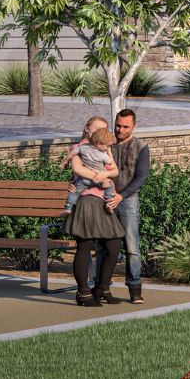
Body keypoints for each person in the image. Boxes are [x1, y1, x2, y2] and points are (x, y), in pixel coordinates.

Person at [67, 126, 122, 307]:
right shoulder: (79, 148)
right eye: (96, 128)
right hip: (87, 200)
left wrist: (106, 174)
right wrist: (101, 178)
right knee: (85, 246)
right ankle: (83, 292)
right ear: (87, 129)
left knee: (114, 245)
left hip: (103, 201)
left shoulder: (104, 148)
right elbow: (78, 169)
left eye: (103, 128)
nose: (99, 131)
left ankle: (102, 288)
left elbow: (115, 170)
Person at [110, 108, 151, 303]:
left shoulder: (141, 147)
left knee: (132, 246)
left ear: (133, 126)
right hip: (106, 199)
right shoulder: (106, 144)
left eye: (125, 127)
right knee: (104, 246)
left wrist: (122, 196)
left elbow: (141, 178)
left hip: (128, 200)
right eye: (118, 125)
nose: (120, 129)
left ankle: (135, 289)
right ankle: (102, 287)